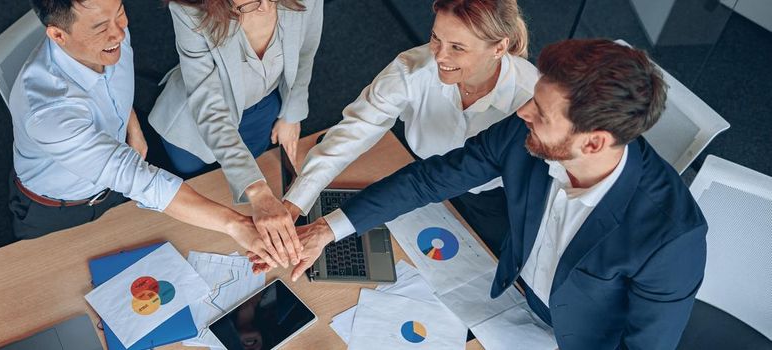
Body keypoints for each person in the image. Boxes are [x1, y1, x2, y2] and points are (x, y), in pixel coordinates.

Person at [268, 39, 706, 349]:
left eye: (541, 113)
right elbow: (430, 179)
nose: (522, 112)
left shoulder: (672, 237)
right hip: (508, 290)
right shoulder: (524, 132)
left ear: (592, 143)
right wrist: (328, 229)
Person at [9, 0, 293, 268]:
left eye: (120, 12)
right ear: (58, 35)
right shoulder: (47, 113)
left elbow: (108, 88)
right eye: (101, 27)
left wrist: (132, 125)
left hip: (120, 183)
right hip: (59, 210)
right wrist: (238, 225)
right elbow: (141, 181)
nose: (119, 32)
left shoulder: (107, 39)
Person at [282, 0, 535, 255]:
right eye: (436, 37)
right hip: (418, 178)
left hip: (489, 199)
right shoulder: (412, 68)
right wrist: (295, 203)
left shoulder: (530, 102)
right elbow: (354, 131)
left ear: (499, 47)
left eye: (457, 47)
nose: (439, 56)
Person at [148, 0, 325, 264]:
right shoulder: (189, 10)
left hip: (264, 105)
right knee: (195, 183)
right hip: (196, 123)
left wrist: (291, 114)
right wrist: (258, 192)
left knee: (247, 167)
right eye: (249, 4)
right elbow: (210, 109)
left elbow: (305, 51)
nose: (266, 7)